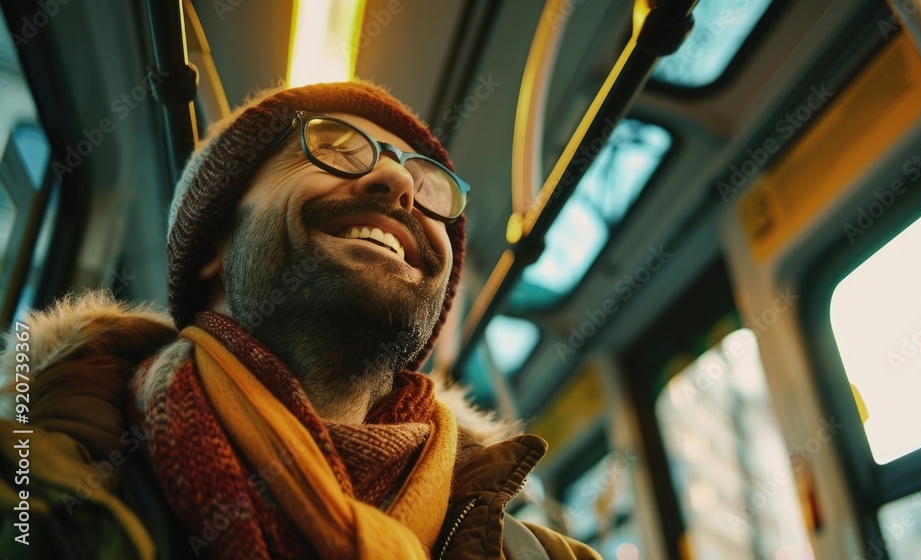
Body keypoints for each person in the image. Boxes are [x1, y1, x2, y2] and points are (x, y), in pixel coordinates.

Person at [0, 81, 601, 559]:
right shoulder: (33, 492)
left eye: (428, 186)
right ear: (213, 243)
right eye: (335, 146)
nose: (398, 182)